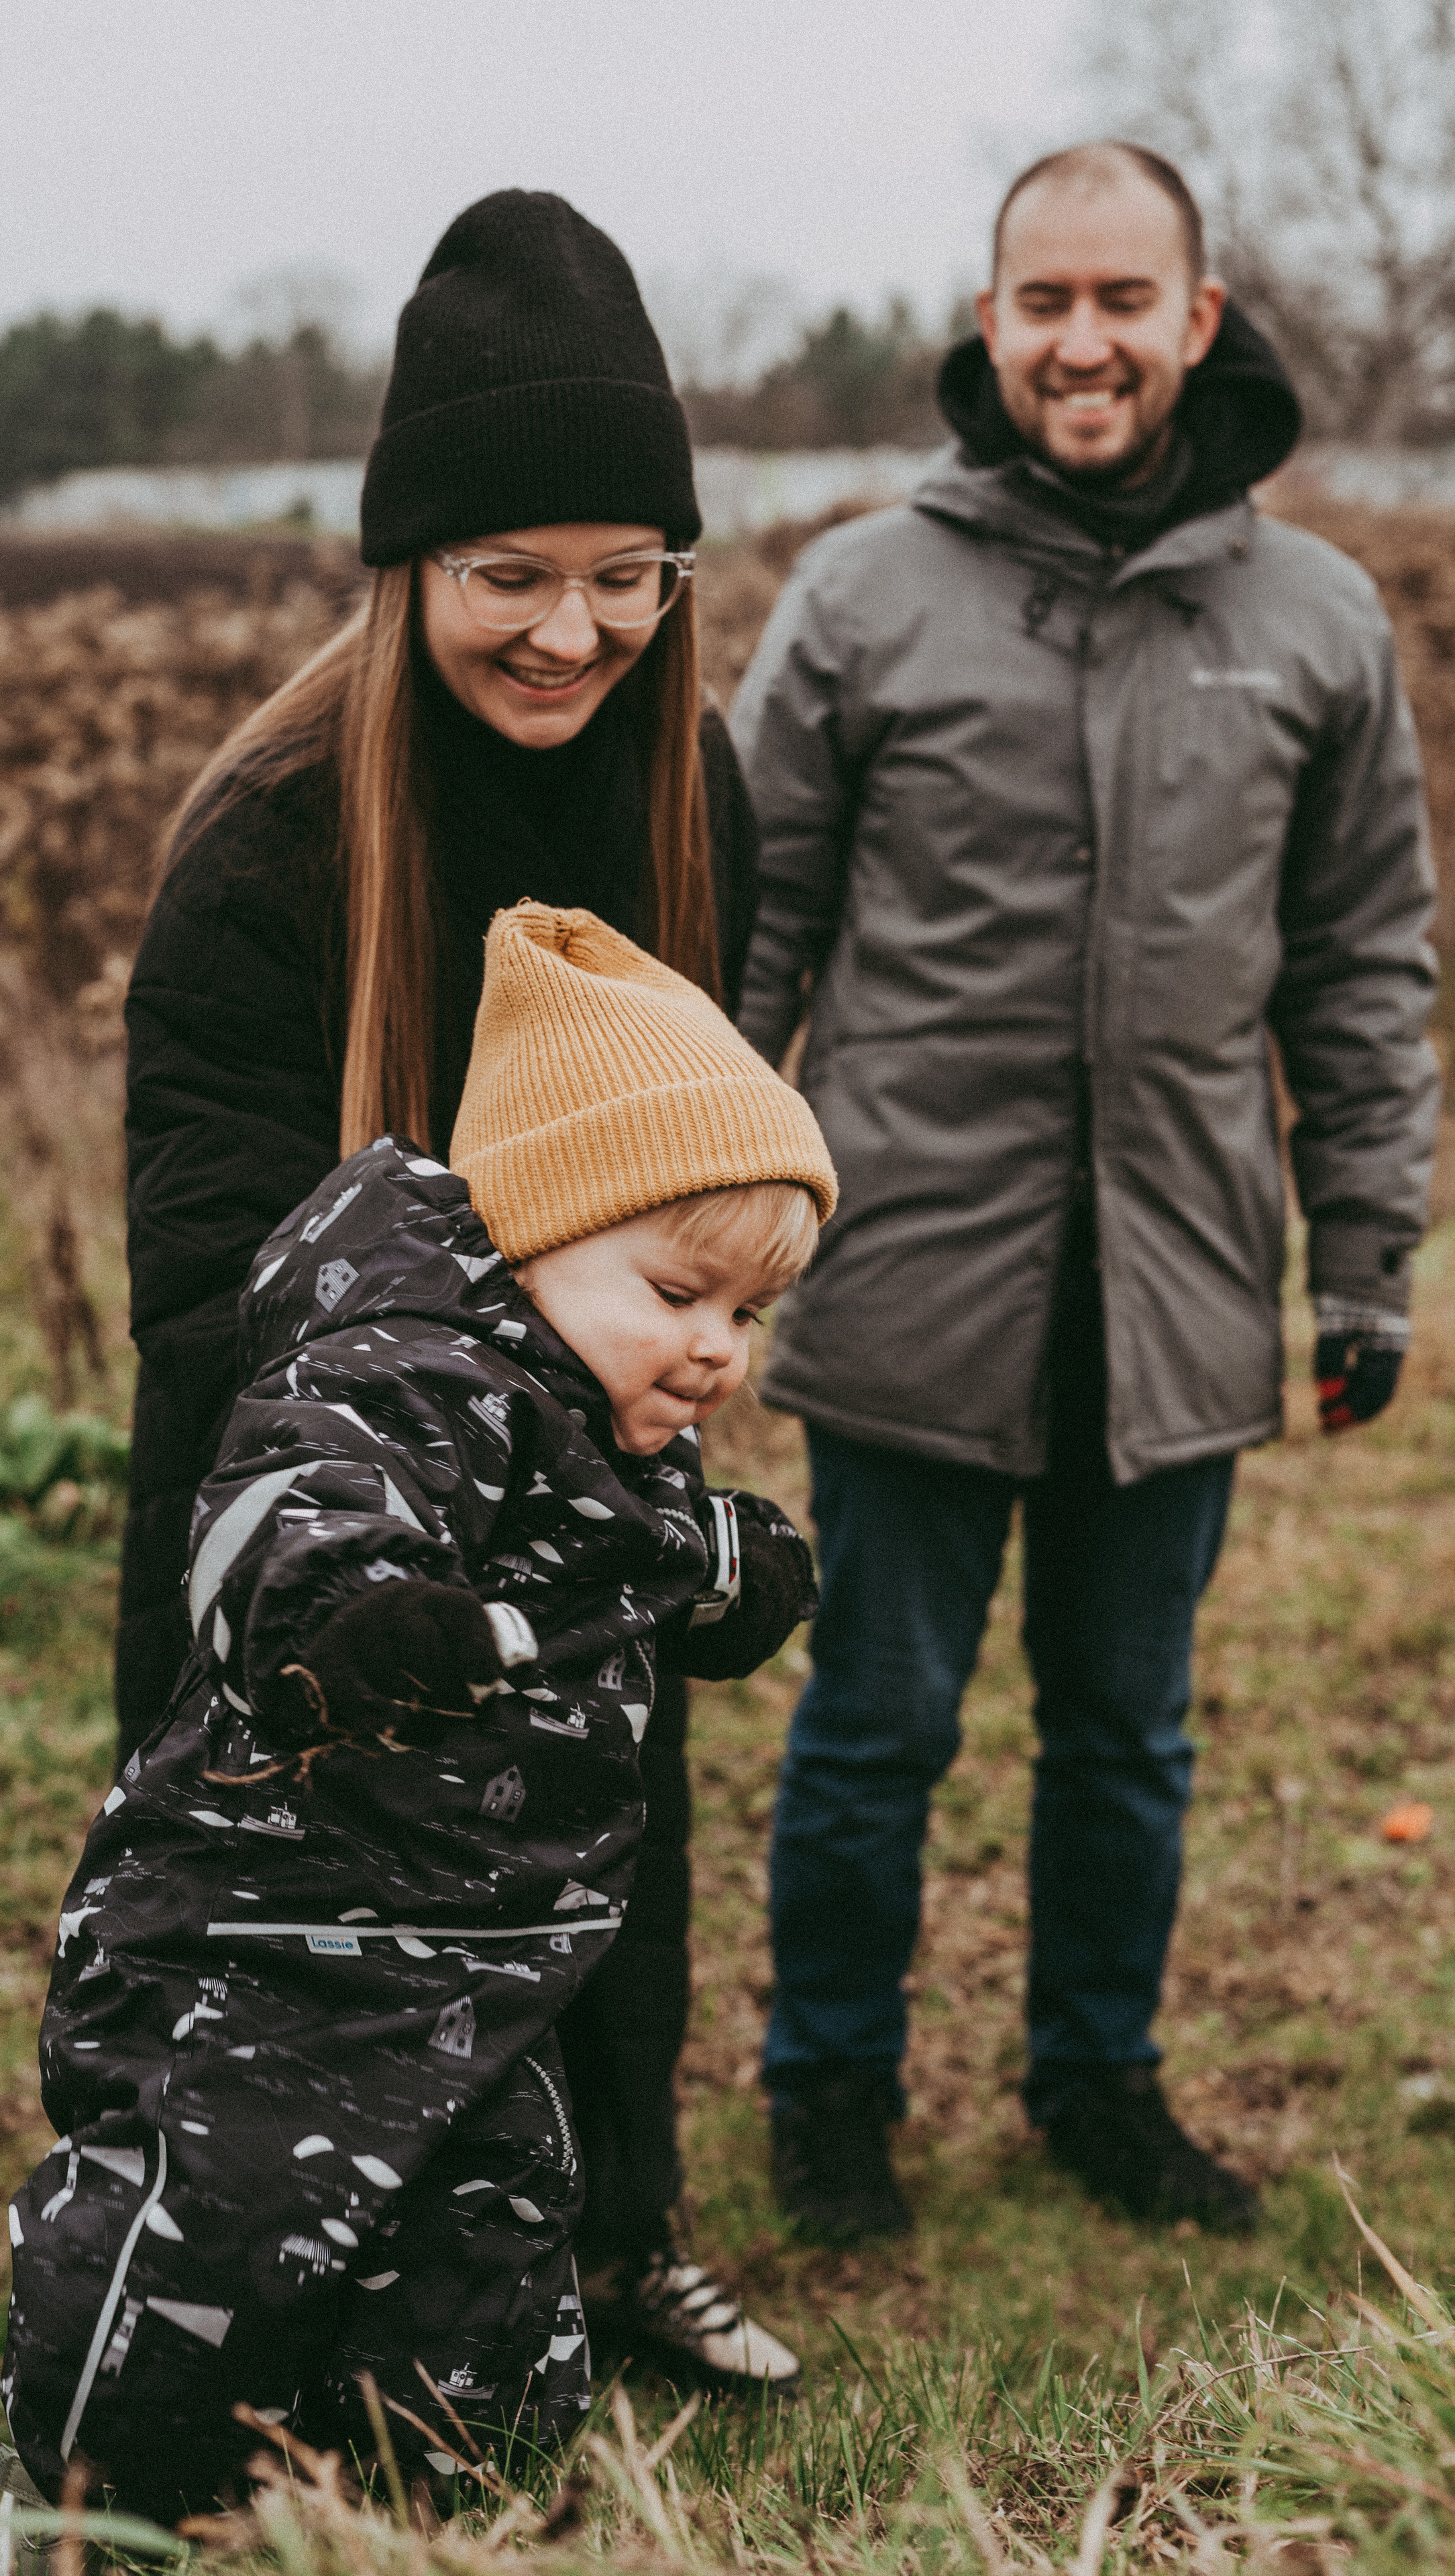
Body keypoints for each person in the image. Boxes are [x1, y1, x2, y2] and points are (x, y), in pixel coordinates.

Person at [731, 141, 1440, 2243]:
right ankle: (829, 2099)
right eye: (1043, 303)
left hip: (1183, 1288)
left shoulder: (1315, 620)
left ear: (1199, 318)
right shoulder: (864, 594)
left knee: (1129, 1741)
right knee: (877, 1732)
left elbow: (1363, 961)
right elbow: (746, 939)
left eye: (1124, 300)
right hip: (908, 1285)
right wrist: (660, 1234)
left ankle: (1097, 2086)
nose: (1083, 343)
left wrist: (1371, 1263)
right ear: (989, 321)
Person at [116, 191, 794, 2387]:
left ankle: (615, 2248)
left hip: (590, 1470)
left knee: (604, 1864)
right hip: (320, 1490)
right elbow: (201, 1264)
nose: (569, 630)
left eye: (625, 573)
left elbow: (690, 1175)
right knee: (328, 1947)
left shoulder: (698, 790)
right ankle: (246, 2321)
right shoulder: (272, 838)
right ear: (410, 569)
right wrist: (403, 1485)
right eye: (512, 577)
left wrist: (653, 1457)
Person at [3, 905, 838, 2522]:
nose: (715, 1350)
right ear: (534, 1234)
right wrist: (349, 1618)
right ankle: (94, 2511)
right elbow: (292, 1515)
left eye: (745, 1317)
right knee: (206, 2256)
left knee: (483, 2274)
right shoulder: (398, 1368)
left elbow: (647, 1557)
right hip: (267, 1951)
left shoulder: (606, 1412)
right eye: (679, 1290)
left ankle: (442, 2519)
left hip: (473, 1965)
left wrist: (736, 1570)